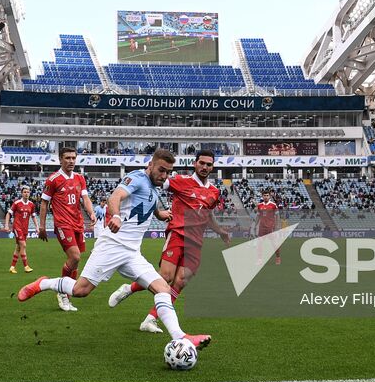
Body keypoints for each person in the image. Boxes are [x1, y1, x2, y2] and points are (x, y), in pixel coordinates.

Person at [17, 148, 211, 351]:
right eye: (161, 170)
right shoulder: (136, 177)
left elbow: (145, 201)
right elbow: (115, 197)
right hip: (112, 246)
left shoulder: (154, 187)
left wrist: (159, 213)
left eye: (168, 172)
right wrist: (116, 215)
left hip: (132, 253)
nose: (164, 176)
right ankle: (43, 283)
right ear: (150, 165)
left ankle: (182, 337)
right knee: (80, 290)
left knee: (163, 288)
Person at [108, 149, 230, 333]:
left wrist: (220, 231)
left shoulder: (214, 191)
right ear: (195, 163)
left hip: (196, 242)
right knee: (165, 277)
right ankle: (129, 288)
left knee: (180, 282)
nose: (205, 167)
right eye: (202, 163)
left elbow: (208, 216)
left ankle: (150, 319)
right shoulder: (180, 181)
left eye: (209, 164)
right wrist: (156, 211)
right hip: (178, 233)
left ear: (213, 167)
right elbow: (151, 185)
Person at [39, 147, 97, 312]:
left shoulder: (79, 178)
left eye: (73, 158)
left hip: (78, 223)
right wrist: (42, 226)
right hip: (63, 224)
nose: (71, 161)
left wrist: (91, 213)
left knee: (76, 262)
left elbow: (85, 198)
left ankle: (68, 294)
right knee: (75, 257)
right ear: (60, 159)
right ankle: (62, 292)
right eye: (67, 158)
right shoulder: (54, 179)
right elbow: (44, 203)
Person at [4, 186, 36, 274]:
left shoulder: (31, 204)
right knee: (23, 245)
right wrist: (6, 225)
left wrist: (37, 227)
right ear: (22, 193)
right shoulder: (17, 203)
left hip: (25, 229)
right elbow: (8, 214)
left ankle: (12, 267)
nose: (26, 193)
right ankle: (26, 266)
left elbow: (33, 216)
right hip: (17, 227)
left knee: (18, 247)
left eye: (28, 192)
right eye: (24, 192)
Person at [256, 189, 281, 265]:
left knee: (275, 244)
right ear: (262, 196)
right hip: (262, 228)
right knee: (259, 244)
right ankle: (260, 259)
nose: (266, 197)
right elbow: (258, 216)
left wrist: (277, 226)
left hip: (271, 228)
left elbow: (277, 216)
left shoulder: (273, 205)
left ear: (269, 196)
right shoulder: (259, 205)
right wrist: (255, 225)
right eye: (264, 195)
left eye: (267, 195)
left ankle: (278, 257)